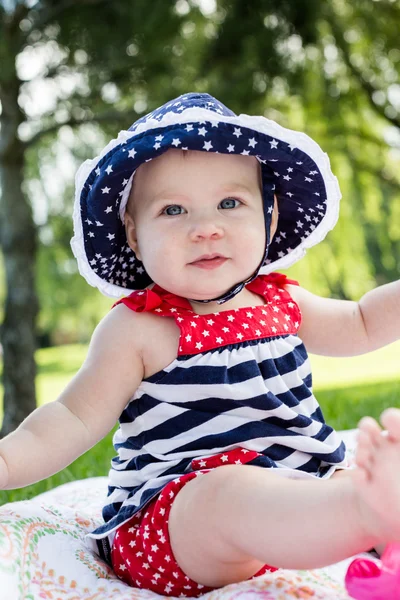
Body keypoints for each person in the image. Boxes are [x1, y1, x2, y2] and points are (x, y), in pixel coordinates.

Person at [0, 93, 399, 599]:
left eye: (230, 203)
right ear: (135, 235)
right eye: (173, 210)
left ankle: (362, 513)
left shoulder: (282, 301)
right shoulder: (138, 327)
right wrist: (8, 462)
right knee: (227, 492)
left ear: (269, 217)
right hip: (177, 524)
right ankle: (365, 514)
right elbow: (73, 418)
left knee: (342, 468)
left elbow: (363, 321)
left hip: (300, 495)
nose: (206, 228)